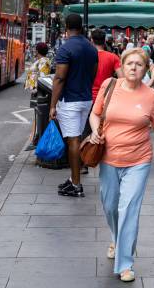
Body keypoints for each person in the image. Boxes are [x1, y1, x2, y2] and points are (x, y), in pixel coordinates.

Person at [88, 48, 154, 282]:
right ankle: (116, 238)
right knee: (110, 206)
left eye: (139, 65)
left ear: (146, 69)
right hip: (109, 158)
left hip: (138, 160)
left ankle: (125, 263)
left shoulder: (151, 96)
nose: (133, 68)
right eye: (130, 64)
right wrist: (94, 132)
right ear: (123, 65)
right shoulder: (110, 85)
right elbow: (95, 114)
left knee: (128, 209)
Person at [51, 13, 98, 198]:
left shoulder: (66, 48)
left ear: (66, 27)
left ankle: (76, 184)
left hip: (70, 101)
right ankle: (73, 179)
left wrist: (53, 105)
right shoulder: (91, 48)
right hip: (86, 99)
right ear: (81, 26)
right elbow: (92, 75)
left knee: (73, 141)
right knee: (76, 138)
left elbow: (60, 78)